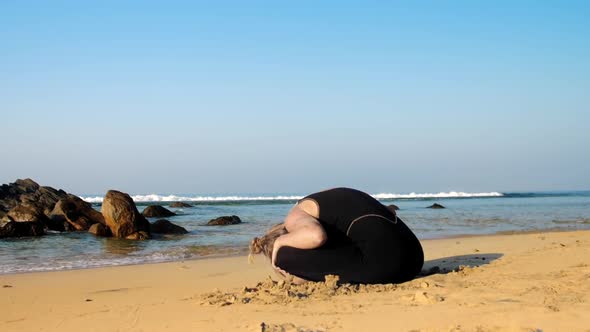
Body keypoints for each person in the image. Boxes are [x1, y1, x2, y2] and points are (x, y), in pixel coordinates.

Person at [249, 187, 424, 284]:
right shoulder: (322, 201)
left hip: (393, 268)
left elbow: (315, 237)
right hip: (414, 257)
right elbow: (389, 211)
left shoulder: (294, 216)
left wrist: (280, 247)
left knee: (284, 256)